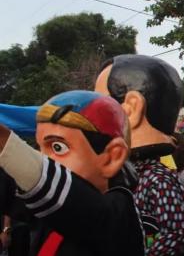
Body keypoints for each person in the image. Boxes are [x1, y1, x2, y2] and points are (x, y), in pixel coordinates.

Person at [0, 90, 144, 255]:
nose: (45, 159)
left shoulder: (118, 215)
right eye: (40, 148)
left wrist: (4, 141)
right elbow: (9, 187)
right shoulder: (48, 208)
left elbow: (76, 200)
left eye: (58, 148)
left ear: (112, 156)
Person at [95, 54, 184, 254]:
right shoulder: (125, 176)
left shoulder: (158, 179)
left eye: (100, 105)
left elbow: (176, 233)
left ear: (132, 108)